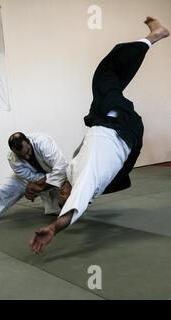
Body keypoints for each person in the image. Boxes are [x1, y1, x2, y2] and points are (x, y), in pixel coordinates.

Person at [29, 16, 169, 254]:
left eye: (60, 195)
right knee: (105, 73)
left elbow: (58, 174)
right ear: (75, 197)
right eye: (65, 197)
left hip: (108, 122)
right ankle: (154, 36)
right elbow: (76, 207)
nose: (62, 193)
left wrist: (40, 188)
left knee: (110, 77)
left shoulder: (74, 174)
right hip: (118, 124)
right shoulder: (87, 179)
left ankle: (152, 38)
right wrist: (54, 227)